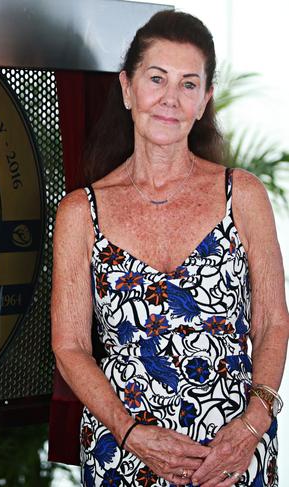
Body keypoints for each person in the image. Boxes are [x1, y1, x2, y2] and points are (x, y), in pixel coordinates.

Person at [51, 10, 289, 486]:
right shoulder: (80, 212)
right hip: (124, 453)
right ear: (126, 87)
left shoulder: (241, 194)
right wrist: (130, 432)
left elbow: (272, 322)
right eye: (156, 78)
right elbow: (70, 347)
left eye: (188, 84)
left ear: (205, 100)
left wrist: (253, 426)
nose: (170, 99)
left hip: (230, 456)